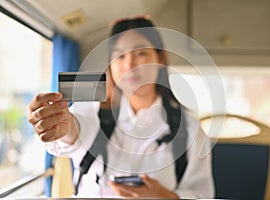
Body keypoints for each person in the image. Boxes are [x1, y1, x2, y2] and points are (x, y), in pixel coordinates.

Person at [28, 17, 214, 198]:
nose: (129, 64)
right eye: (119, 55)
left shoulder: (190, 129)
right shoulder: (91, 110)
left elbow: (203, 194)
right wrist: (61, 126)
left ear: (161, 58)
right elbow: (72, 131)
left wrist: (167, 197)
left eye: (140, 53)